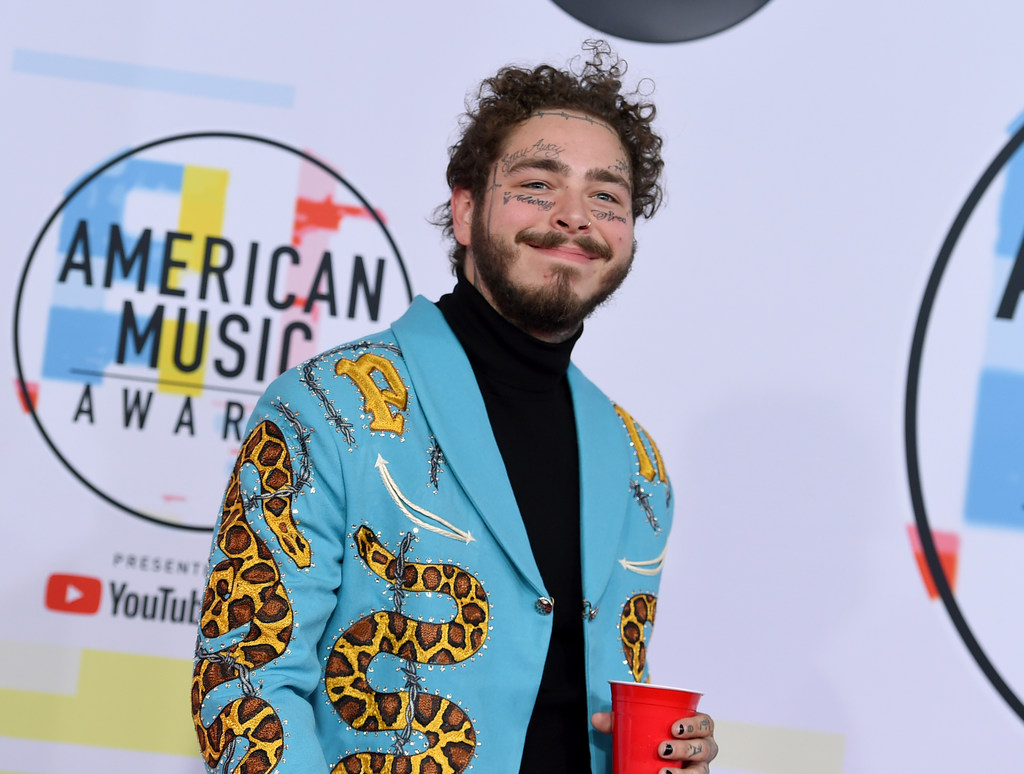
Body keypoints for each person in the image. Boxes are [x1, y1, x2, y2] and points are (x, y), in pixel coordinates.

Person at [191, 40, 718, 774]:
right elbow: (243, 684)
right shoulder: (326, 407)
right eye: (538, 184)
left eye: (607, 196)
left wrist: (670, 754)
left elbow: (583, 703)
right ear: (466, 211)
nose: (574, 216)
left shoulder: (637, 463)